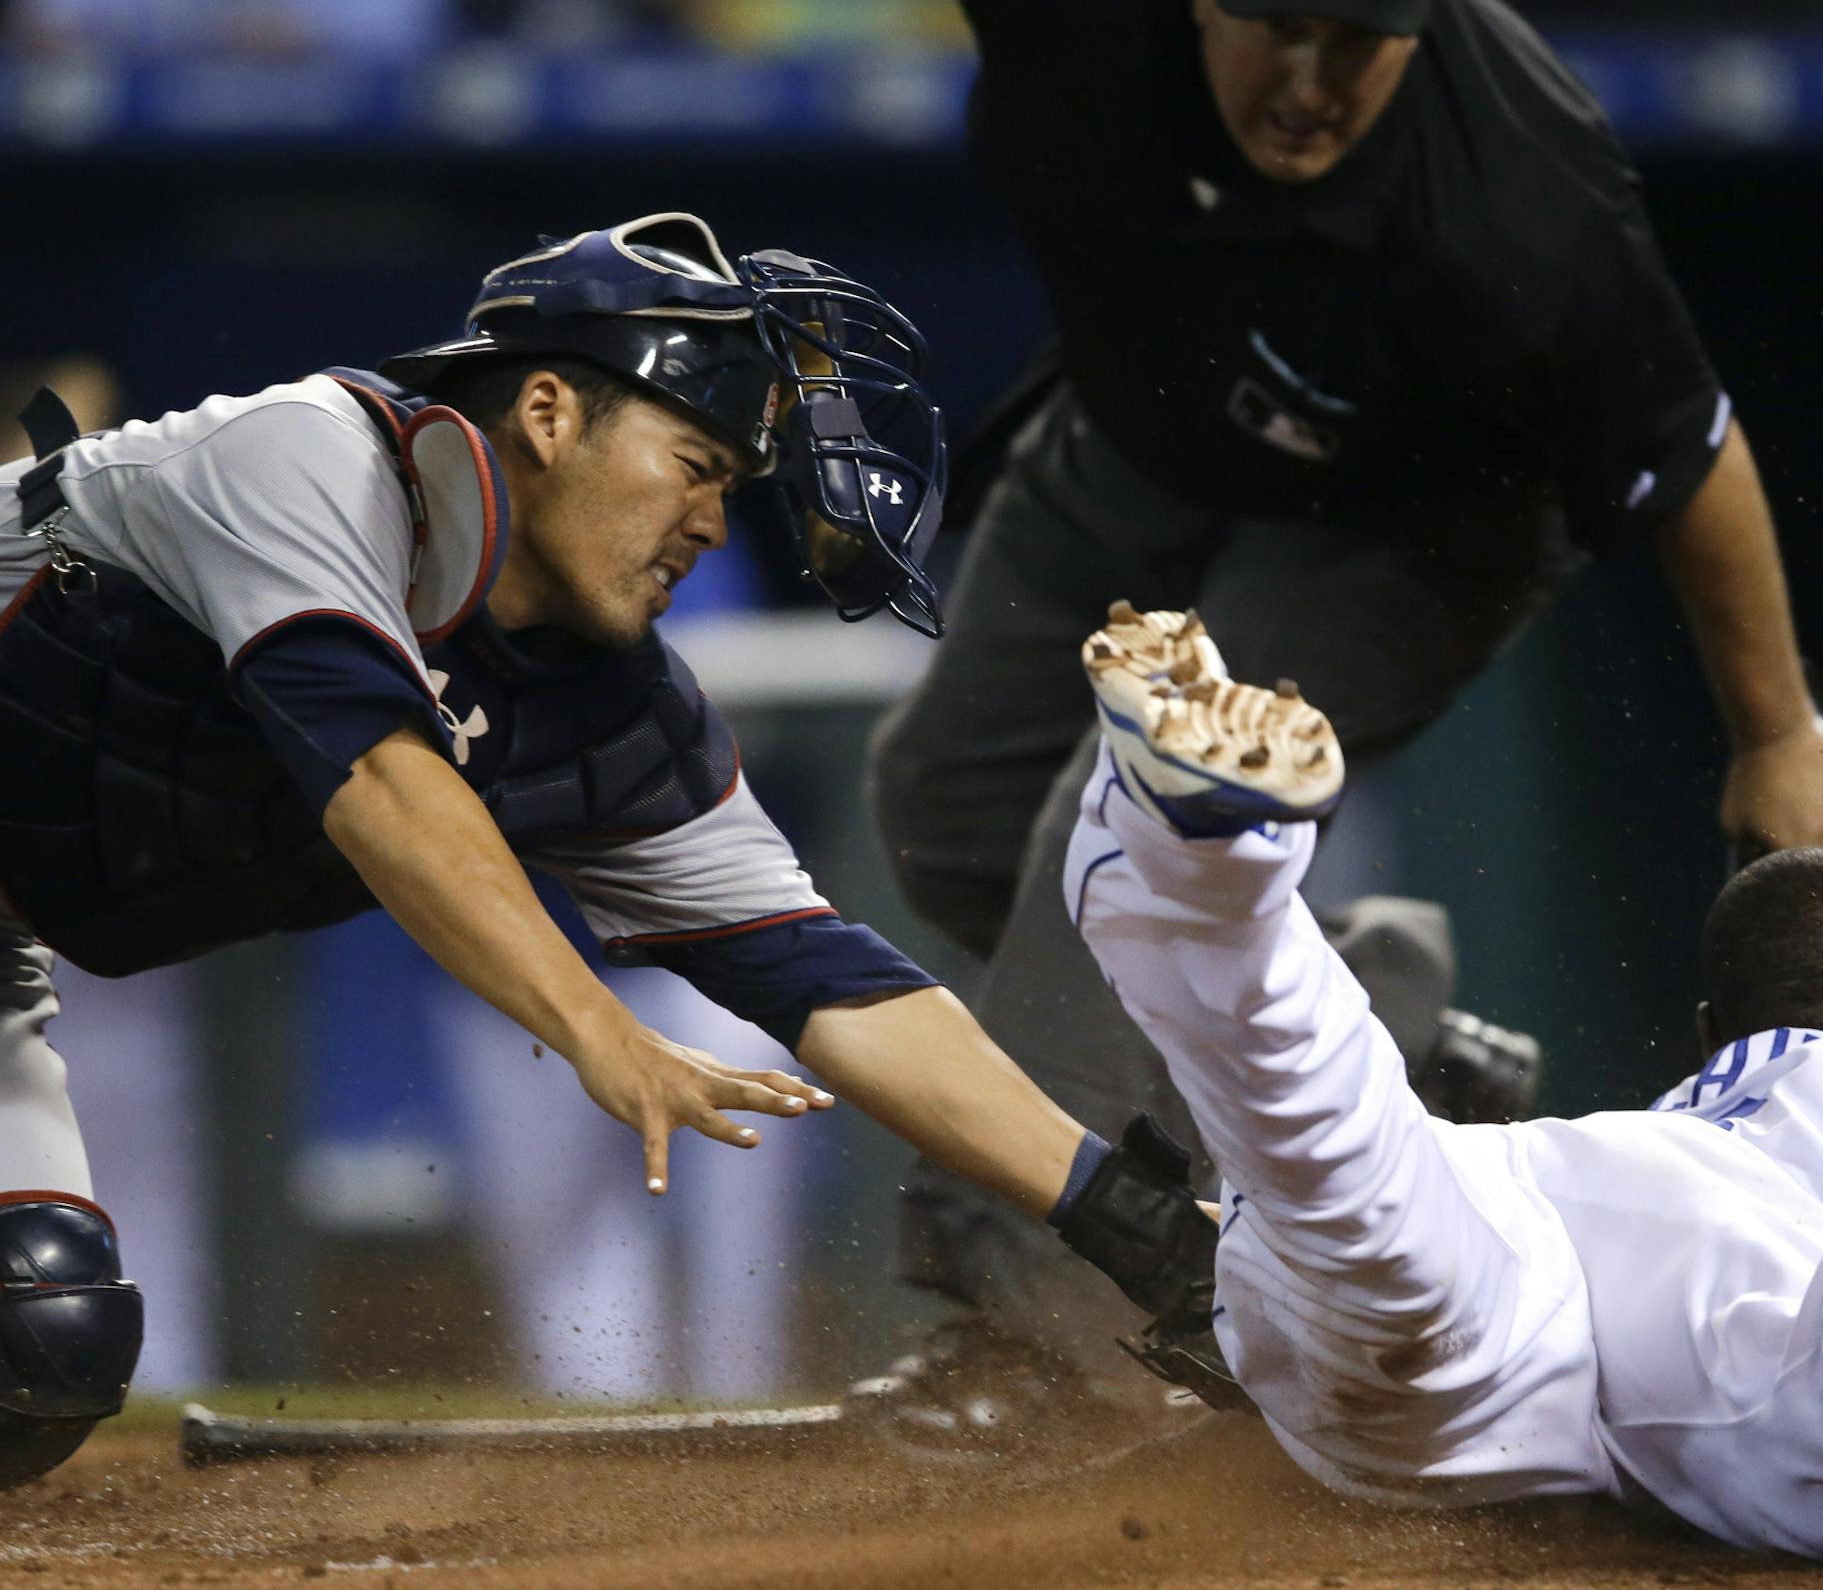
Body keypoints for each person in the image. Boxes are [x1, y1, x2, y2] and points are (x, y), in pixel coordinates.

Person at [0, 213, 1220, 1485]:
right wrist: (601, 1026)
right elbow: (381, 780)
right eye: (696, 461)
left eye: (733, 487)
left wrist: (1134, 1227)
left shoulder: (607, 708)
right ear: (545, 412)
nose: (710, 519)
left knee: (45, 1348)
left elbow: (837, 981)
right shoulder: (309, 457)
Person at [869, 0, 1823, 1402]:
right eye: (1274, 21)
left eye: (1355, 36)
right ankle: (1387, 1031)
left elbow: (1687, 448)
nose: (1307, 77)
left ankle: (1032, 1342)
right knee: (947, 808)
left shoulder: (1518, 195)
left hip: (1412, 517)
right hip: (1143, 428)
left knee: (1129, 815)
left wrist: (1779, 728)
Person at [1062, 602, 1823, 1559]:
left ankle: (1206, 858)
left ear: (1706, 1032)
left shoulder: (1670, 1121)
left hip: (1527, 1203)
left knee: (1332, 1152)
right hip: (1789, 1265)